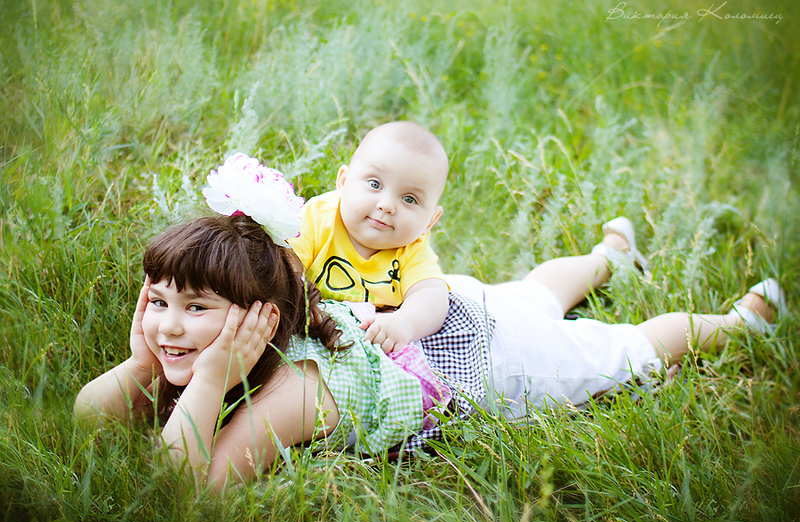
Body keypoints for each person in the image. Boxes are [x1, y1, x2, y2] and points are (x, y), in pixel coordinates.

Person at [74, 155, 786, 491]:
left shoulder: (295, 390)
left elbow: (181, 490)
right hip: (434, 318)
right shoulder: (218, 340)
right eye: (159, 301)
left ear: (264, 318)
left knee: (624, 349)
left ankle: (735, 322)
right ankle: (608, 258)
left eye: (196, 309)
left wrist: (206, 382)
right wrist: (141, 364)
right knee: (533, 291)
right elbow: (86, 420)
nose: (168, 326)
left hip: (488, 361)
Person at [289, 121, 450, 355]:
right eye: (375, 184)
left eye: (409, 199)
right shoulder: (319, 217)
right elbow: (285, 263)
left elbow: (432, 295)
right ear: (343, 182)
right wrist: (297, 296)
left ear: (430, 221)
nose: (386, 205)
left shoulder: (411, 249)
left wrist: (404, 322)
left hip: (368, 338)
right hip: (308, 323)